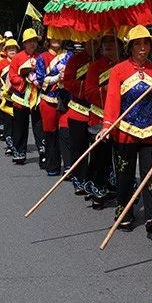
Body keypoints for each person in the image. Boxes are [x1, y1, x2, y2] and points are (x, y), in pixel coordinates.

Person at [100, 26, 152, 238]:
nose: (142, 48)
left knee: (151, 175)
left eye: (146, 43)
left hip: (151, 132)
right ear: (130, 47)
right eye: (138, 43)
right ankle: (124, 211)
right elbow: (112, 101)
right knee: (125, 175)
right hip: (125, 131)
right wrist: (108, 125)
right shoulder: (118, 70)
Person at [83, 34, 119, 209]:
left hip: (122, 119)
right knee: (100, 157)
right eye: (106, 45)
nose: (109, 47)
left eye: (113, 43)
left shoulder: (124, 64)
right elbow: (89, 92)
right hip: (99, 117)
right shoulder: (96, 67)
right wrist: (108, 89)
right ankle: (97, 189)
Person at [36, 37, 72, 176]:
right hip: (48, 99)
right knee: (50, 133)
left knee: (66, 132)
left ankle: (69, 165)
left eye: (59, 36)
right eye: (53, 37)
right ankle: (53, 165)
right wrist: (57, 78)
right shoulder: (42, 57)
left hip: (66, 99)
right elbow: (40, 79)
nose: (57, 39)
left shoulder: (69, 56)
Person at [62, 39, 94, 194]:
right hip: (79, 110)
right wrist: (87, 87)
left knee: (99, 152)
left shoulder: (105, 60)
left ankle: (95, 180)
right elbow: (68, 82)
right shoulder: (76, 60)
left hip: (99, 112)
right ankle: (79, 179)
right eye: (92, 41)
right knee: (79, 148)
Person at [8, 29, 44, 164]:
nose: (32, 44)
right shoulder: (17, 58)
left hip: (38, 96)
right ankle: (19, 151)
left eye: (34, 41)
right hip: (21, 96)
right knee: (20, 125)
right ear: (24, 44)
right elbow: (12, 77)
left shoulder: (41, 56)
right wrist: (25, 80)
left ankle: (43, 150)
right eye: (29, 42)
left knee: (39, 124)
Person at [0, 39, 19, 154]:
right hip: (5, 97)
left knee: (19, 122)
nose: (12, 50)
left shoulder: (22, 61)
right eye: (9, 48)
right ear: (5, 51)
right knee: (8, 122)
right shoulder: (1, 63)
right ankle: (10, 142)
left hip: (20, 97)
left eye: (14, 48)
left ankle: (19, 144)